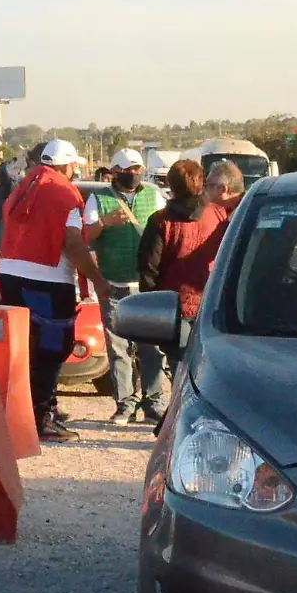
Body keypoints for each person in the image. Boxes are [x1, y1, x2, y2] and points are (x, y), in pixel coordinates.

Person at [0, 139, 111, 443]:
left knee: (25, 349)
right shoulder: (64, 193)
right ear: (65, 166)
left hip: (9, 276)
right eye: (74, 166)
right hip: (45, 278)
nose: (75, 171)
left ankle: (27, 412)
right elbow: (72, 242)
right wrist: (97, 279)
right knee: (51, 349)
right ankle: (40, 417)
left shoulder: (25, 186)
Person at [85, 149, 168, 426]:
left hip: (145, 285)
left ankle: (154, 403)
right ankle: (125, 404)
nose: (133, 174)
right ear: (115, 172)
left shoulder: (153, 195)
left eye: (137, 169)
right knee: (118, 348)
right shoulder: (98, 199)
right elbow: (85, 236)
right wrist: (105, 223)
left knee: (151, 348)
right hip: (113, 283)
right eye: (127, 169)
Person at [138, 159, 225, 378]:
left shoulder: (160, 221)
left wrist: (152, 310)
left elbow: (149, 269)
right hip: (212, 307)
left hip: (174, 310)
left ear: (171, 185)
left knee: (181, 376)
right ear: (200, 182)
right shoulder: (218, 215)